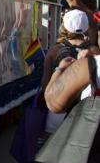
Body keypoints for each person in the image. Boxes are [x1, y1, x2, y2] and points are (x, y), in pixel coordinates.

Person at [37, 9, 97, 150]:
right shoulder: (94, 50)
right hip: (85, 109)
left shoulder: (54, 50)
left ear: (63, 26)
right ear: (86, 27)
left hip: (58, 107)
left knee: (50, 149)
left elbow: (45, 84)